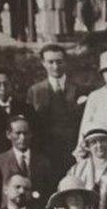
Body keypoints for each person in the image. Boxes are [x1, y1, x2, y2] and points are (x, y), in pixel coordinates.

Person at [27, 44, 84, 173]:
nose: (55, 66)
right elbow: (31, 124)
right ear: (43, 63)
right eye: (50, 62)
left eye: (59, 61)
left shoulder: (79, 89)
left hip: (74, 152)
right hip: (46, 154)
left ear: (65, 62)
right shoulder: (35, 91)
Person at [0, 116, 54, 209]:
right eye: (18, 133)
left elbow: (48, 192)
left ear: (31, 134)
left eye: (26, 133)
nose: (22, 138)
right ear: (8, 134)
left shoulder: (43, 162)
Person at [0, 68, 35, 158]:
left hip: (24, 160)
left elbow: (36, 136)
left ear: (11, 85)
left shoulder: (26, 109)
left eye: (6, 84)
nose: (3, 88)